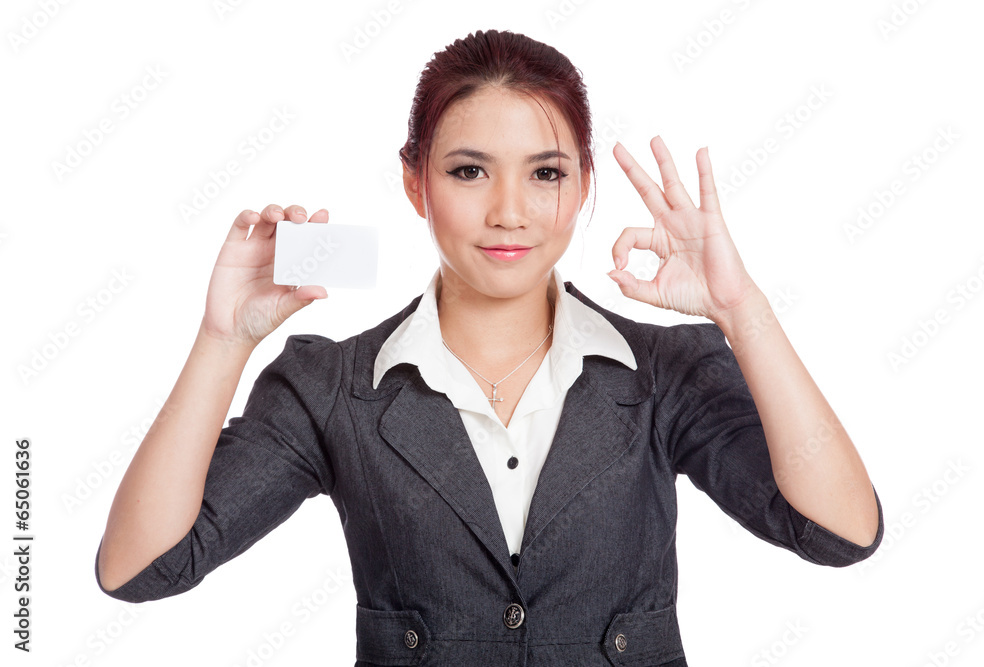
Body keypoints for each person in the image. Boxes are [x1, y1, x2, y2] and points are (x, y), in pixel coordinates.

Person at [95, 28, 884, 665]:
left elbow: (841, 530)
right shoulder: (331, 385)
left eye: (545, 174)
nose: (510, 211)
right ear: (416, 182)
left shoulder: (665, 373)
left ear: (582, 185)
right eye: (470, 171)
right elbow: (140, 566)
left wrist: (742, 312)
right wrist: (222, 340)